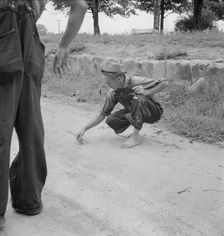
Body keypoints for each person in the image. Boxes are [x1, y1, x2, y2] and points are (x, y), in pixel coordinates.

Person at [0, 0, 88, 226]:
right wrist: (64, 46)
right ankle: (28, 199)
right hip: (30, 56)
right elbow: (80, 5)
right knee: (32, 131)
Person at [76, 62, 168, 148]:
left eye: (109, 82)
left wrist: (147, 92)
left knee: (137, 98)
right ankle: (134, 129)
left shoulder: (135, 81)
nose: (107, 85)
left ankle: (135, 137)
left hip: (153, 112)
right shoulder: (113, 93)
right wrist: (84, 128)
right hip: (136, 112)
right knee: (112, 120)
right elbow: (102, 114)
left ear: (119, 79)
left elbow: (164, 82)